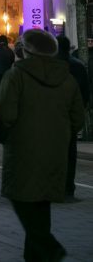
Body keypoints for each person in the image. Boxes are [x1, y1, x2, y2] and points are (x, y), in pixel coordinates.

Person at [0, 29, 84, 262]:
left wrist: (3, 134)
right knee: (42, 206)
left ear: (27, 50)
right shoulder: (67, 78)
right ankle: (35, 254)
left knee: (21, 199)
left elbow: (5, 113)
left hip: (23, 151)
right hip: (55, 152)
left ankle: (48, 246)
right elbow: (78, 118)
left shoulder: (16, 76)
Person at [56, 35, 91, 200]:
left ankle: (56, 185)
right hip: (70, 116)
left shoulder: (50, 66)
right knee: (70, 153)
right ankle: (68, 185)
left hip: (53, 115)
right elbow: (84, 92)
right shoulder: (77, 66)